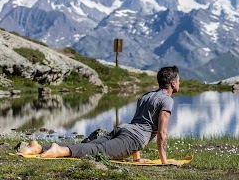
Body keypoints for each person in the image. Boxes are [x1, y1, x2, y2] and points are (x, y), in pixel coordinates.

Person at [17, 66, 180, 164]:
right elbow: (162, 132)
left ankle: (39, 147)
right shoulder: (167, 100)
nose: (179, 83)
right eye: (178, 80)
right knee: (96, 150)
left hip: (123, 130)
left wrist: (137, 158)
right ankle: (58, 151)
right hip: (132, 138)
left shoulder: (147, 96)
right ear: (173, 83)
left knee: (93, 145)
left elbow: (137, 122)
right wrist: (164, 161)